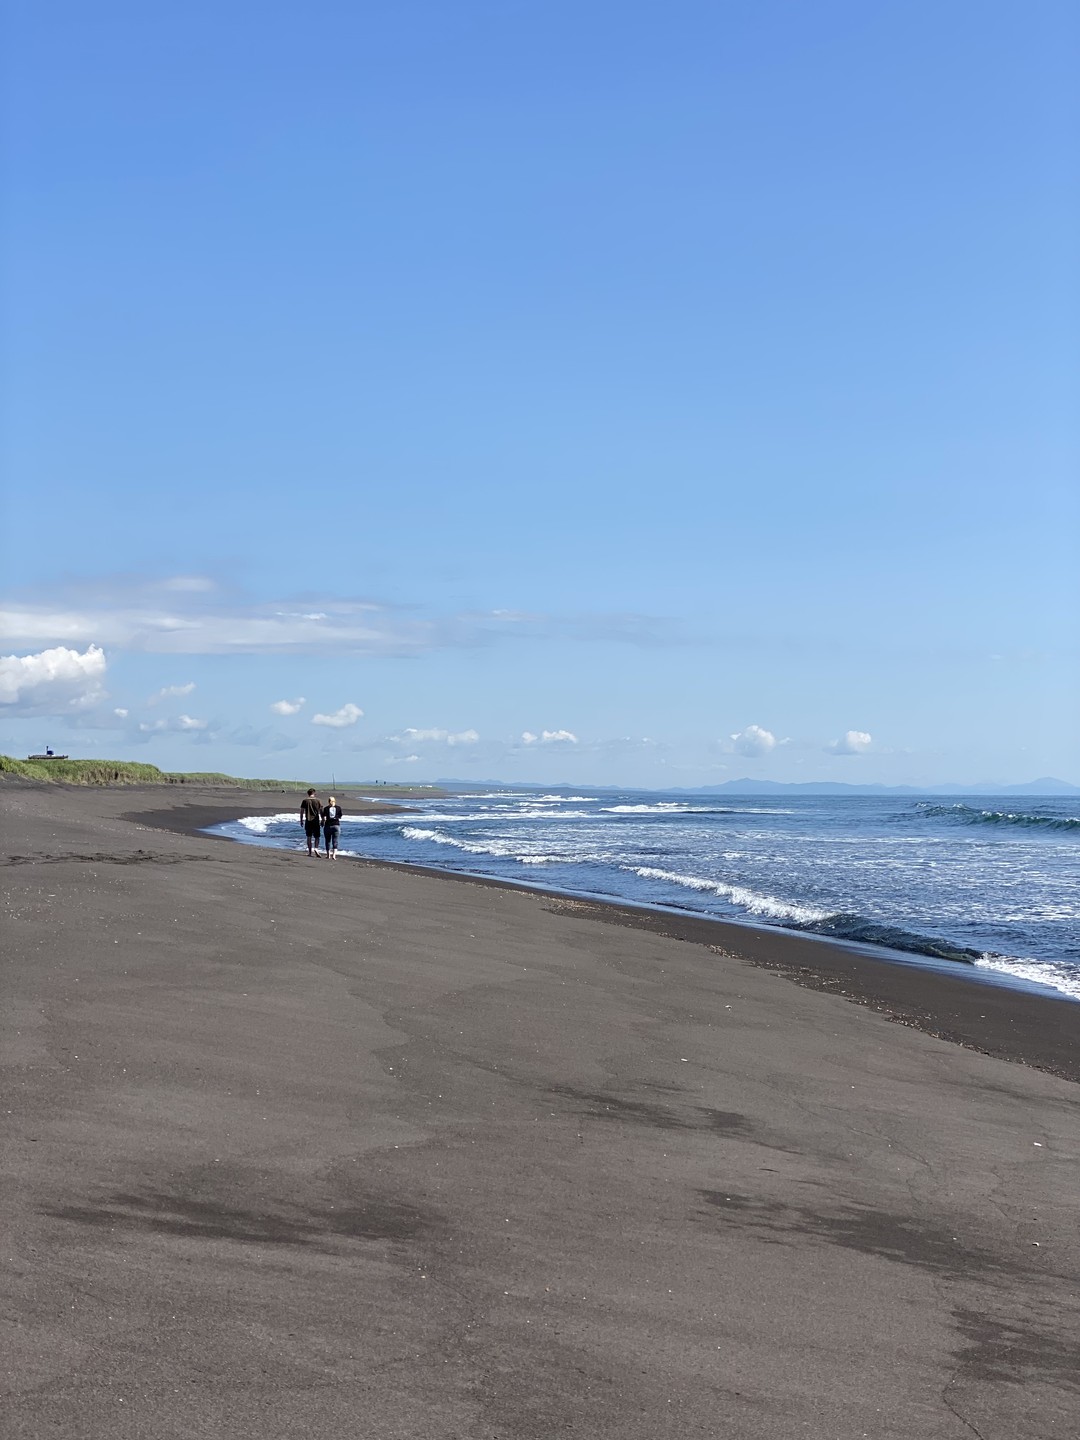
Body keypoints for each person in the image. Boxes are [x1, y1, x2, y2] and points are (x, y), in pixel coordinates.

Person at [299, 788, 322, 857]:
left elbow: (302, 811)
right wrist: (323, 819)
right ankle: (316, 848)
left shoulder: (305, 801)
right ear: (314, 793)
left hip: (308, 820)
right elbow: (321, 811)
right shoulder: (318, 801)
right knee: (317, 836)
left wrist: (301, 820)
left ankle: (309, 852)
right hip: (316, 820)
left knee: (309, 836)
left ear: (308, 793)